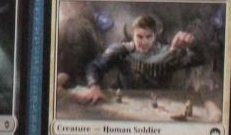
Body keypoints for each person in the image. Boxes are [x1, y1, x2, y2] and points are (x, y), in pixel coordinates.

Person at [69, 15, 203, 107]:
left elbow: (198, 59)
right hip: (124, 102)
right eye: (139, 36)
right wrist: (94, 87)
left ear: (155, 37)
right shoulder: (121, 50)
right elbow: (94, 66)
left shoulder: (168, 53)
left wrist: (193, 44)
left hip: (159, 104)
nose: (143, 42)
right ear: (132, 35)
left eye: (148, 37)